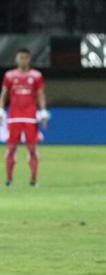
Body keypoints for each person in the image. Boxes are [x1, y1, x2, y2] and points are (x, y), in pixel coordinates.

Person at [1, 48, 47, 187]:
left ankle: (33, 180)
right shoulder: (9, 76)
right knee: (11, 148)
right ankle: (9, 180)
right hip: (14, 117)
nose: (23, 60)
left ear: (29, 59)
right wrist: (0, 110)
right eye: (20, 57)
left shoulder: (36, 76)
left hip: (30, 117)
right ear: (16, 59)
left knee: (32, 148)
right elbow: (4, 93)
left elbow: (40, 94)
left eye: (25, 58)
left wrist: (43, 112)